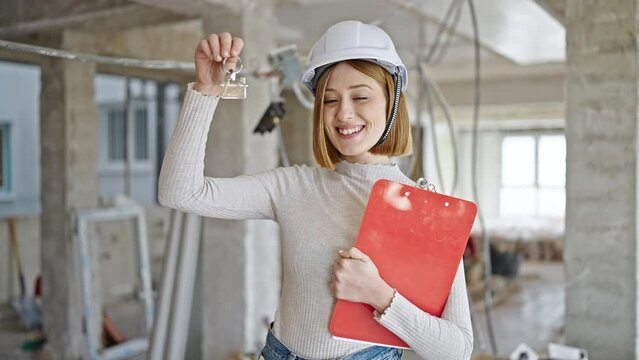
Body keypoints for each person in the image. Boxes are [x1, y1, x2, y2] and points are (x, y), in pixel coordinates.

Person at [159, 20, 473, 360]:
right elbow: (180, 193)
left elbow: (456, 350)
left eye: (361, 96)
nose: (344, 113)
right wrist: (206, 90)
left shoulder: (424, 211)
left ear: (392, 102)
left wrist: (380, 295)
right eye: (330, 100)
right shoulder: (292, 187)